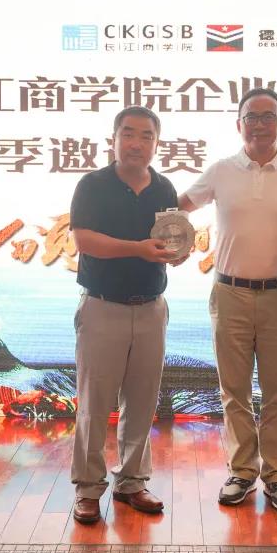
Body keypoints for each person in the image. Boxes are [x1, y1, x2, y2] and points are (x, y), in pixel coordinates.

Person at [178, 88, 277, 512]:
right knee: (233, 391)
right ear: (239, 125)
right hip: (229, 294)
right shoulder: (221, 171)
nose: (259, 124)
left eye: (268, 116)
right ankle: (241, 472)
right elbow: (179, 207)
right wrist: (169, 240)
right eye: (251, 117)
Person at [68, 105, 180, 524]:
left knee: (142, 400)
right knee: (94, 404)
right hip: (102, 307)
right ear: (113, 140)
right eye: (128, 134)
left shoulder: (164, 188)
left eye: (146, 136)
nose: (136, 143)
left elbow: (168, 241)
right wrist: (138, 249)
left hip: (151, 309)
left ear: (156, 143)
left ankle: (132, 481)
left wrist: (176, 253)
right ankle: (88, 488)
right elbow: (84, 240)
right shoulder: (93, 185)